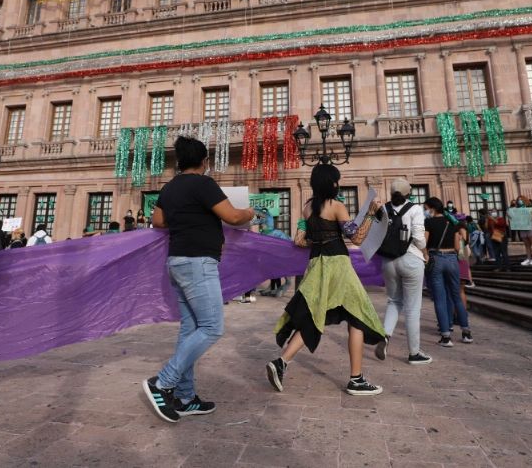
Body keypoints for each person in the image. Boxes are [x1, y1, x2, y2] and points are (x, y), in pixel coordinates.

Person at [143, 136, 255, 423]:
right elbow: (232, 217)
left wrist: (186, 216)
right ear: (204, 161)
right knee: (213, 327)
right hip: (197, 263)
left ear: (179, 161)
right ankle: (162, 382)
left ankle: (185, 396)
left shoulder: (170, 187)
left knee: (190, 329)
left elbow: (158, 221)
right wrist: (250, 212)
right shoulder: (204, 184)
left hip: (177, 261)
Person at [266, 163, 386, 396]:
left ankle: (281, 362)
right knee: (358, 316)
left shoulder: (308, 207)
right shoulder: (337, 206)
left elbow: (300, 240)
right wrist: (371, 213)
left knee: (314, 315)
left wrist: (320, 239)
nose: (337, 184)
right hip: (338, 265)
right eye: (336, 180)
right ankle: (356, 379)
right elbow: (358, 238)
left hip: (316, 264)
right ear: (331, 183)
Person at [373, 178, 431, 365]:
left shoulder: (384, 209)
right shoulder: (415, 209)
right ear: (409, 193)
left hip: (388, 261)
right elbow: (419, 240)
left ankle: (385, 335)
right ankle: (414, 352)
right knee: (413, 308)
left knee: (393, 301)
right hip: (411, 259)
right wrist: (423, 249)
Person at [424, 197, 472, 347]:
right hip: (452, 259)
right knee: (457, 295)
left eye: (426, 208)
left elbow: (424, 242)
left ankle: (446, 336)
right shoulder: (452, 222)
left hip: (436, 258)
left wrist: (425, 254)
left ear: (432, 208)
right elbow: (459, 246)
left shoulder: (429, 222)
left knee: (440, 298)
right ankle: (466, 332)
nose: (426, 211)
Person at [509, 196, 532, 266]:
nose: (519, 201)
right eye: (518, 200)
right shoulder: (517, 208)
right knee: (526, 244)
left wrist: (530, 216)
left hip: (530, 225)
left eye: (521, 199)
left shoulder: (530, 206)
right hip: (522, 226)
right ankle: (528, 258)